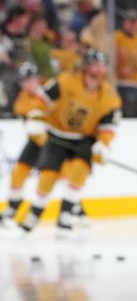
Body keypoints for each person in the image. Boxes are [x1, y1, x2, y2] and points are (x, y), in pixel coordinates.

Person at [14, 48, 121, 231]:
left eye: (102, 66)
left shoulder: (110, 97)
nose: (99, 69)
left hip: (83, 139)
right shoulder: (66, 81)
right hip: (56, 135)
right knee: (47, 176)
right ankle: (35, 214)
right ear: (86, 66)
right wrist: (36, 117)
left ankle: (66, 214)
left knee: (78, 174)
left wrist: (103, 144)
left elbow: (108, 126)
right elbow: (43, 99)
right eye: (95, 65)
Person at [0, 62, 47, 227]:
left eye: (29, 80)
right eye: (23, 81)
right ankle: (12, 208)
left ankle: (77, 209)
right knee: (19, 172)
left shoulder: (47, 94)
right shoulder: (23, 97)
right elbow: (20, 109)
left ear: (37, 79)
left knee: (58, 178)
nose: (26, 84)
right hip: (35, 142)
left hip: (52, 144)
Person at [114, 9, 137, 116]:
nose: (132, 25)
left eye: (135, 22)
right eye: (129, 22)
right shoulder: (117, 37)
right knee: (126, 115)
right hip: (124, 83)